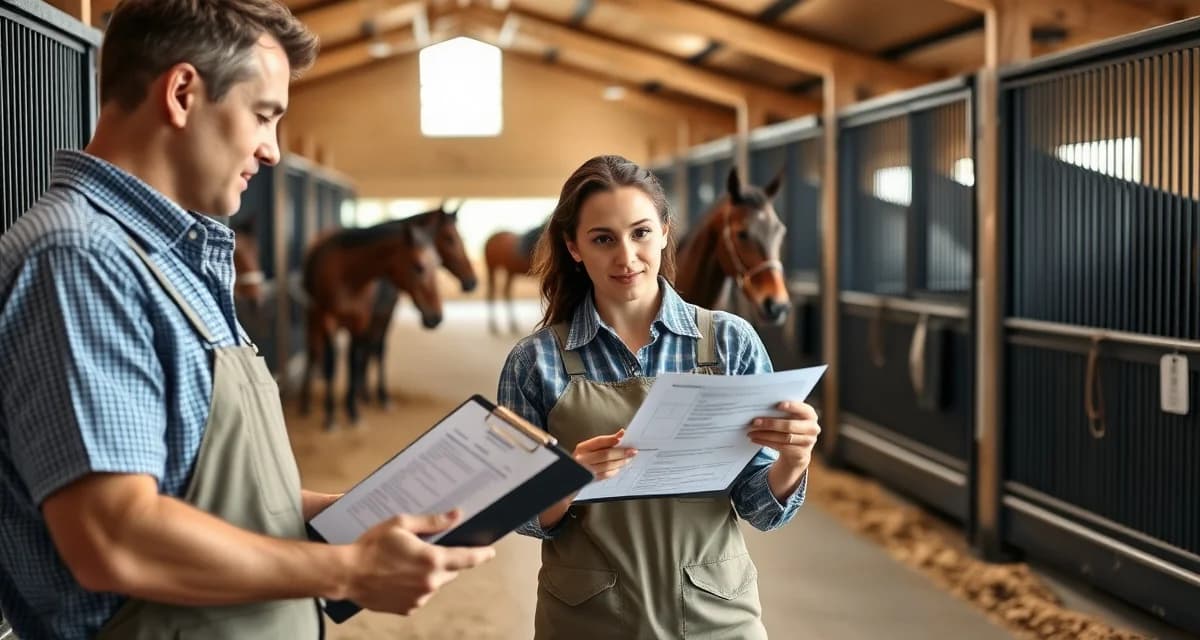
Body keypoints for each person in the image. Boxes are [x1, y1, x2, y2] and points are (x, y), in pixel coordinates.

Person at [0, 2, 493, 638]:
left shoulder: (170, 255)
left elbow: (199, 491)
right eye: (263, 116)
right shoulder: (82, 259)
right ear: (181, 93)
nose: (273, 151)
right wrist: (344, 570)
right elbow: (113, 538)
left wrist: (347, 518)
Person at [497, 154, 821, 639]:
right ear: (574, 247)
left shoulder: (730, 342)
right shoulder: (535, 362)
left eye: (641, 233)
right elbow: (516, 514)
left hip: (718, 622)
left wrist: (793, 461)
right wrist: (568, 479)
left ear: (666, 231)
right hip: (587, 623)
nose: (626, 257)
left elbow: (759, 509)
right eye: (603, 239)